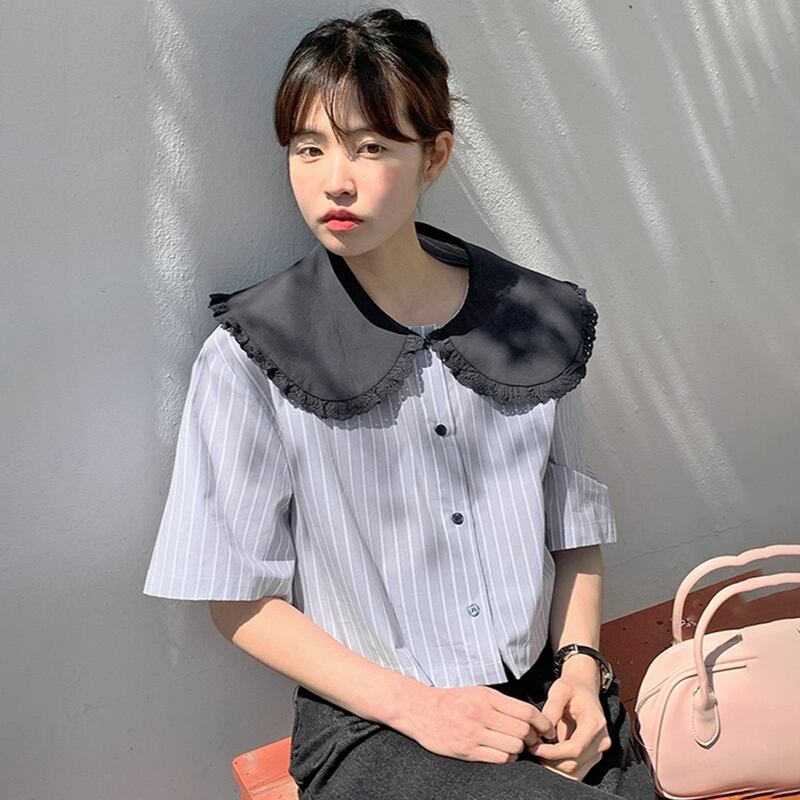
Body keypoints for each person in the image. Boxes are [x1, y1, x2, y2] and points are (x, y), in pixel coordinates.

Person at [143, 8, 656, 799]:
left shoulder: (535, 321)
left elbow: (572, 531)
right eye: (309, 148)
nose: (335, 180)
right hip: (377, 732)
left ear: (434, 155)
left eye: (371, 146)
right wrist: (424, 710)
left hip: (550, 701)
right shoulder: (251, 355)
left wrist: (583, 672)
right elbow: (238, 601)